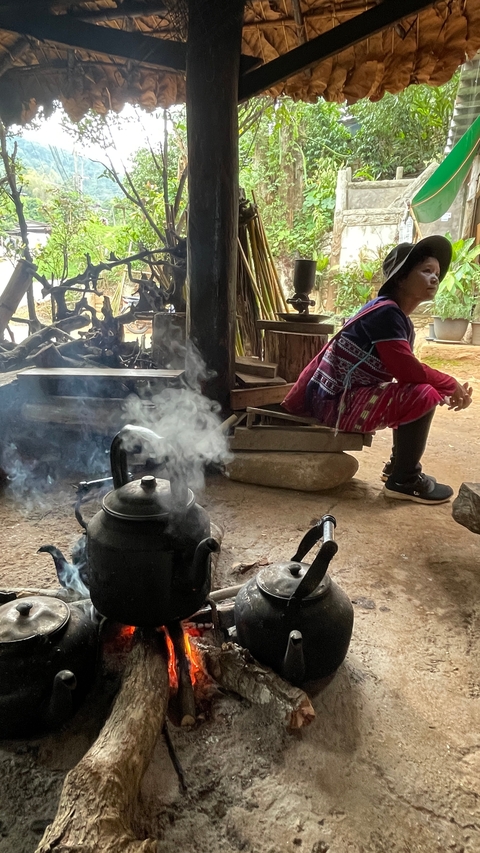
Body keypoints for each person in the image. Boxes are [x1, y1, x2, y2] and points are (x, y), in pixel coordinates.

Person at [282, 236, 473, 505]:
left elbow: (404, 373)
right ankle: (403, 479)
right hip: (335, 402)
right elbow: (407, 371)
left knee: (421, 391)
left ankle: (397, 468)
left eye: (437, 273)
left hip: (337, 396)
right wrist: (448, 383)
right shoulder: (386, 315)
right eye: (426, 271)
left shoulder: (397, 317)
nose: (434, 279)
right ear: (401, 279)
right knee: (422, 393)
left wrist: (446, 386)